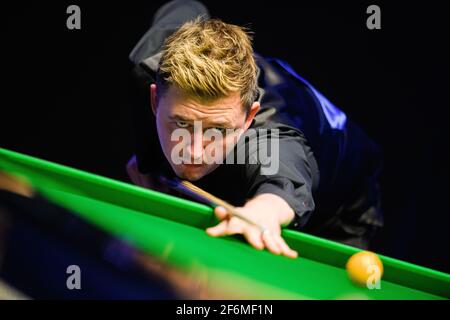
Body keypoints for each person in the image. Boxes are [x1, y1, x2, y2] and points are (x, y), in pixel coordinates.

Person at [126, 0, 384, 258]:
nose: (192, 151)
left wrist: (263, 211)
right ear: (155, 100)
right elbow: (184, 7)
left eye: (217, 129)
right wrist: (149, 158)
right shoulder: (150, 62)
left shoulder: (269, 133)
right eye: (180, 123)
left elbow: (284, 180)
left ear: (250, 116)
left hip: (341, 207)